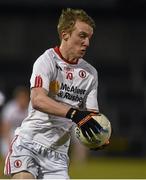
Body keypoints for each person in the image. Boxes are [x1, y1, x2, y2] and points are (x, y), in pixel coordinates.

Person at [4, 8, 109, 179]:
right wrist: (74, 113)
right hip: (29, 143)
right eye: (82, 36)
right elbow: (38, 99)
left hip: (57, 155)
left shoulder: (90, 73)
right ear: (65, 34)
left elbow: (91, 115)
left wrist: (97, 134)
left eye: (89, 38)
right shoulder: (46, 61)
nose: (87, 43)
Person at [1, 86, 29, 158]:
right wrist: (9, 144)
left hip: (25, 134)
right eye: (20, 97)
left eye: (24, 97)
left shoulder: (31, 108)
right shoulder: (10, 108)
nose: (22, 100)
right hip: (11, 133)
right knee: (6, 150)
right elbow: (5, 129)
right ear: (17, 98)